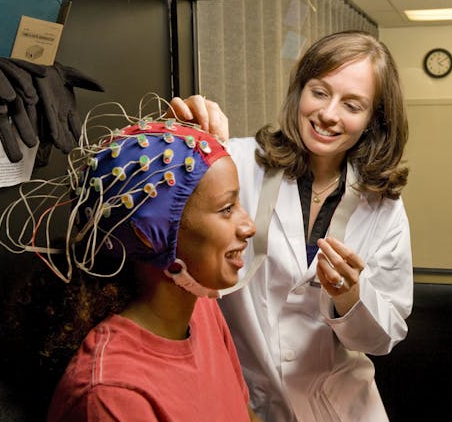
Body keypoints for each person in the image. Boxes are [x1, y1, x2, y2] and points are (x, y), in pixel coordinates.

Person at [170, 30, 414, 421]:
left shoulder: (382, 206)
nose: (329, 114)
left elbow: (382, 338)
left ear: (373, 119)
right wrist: (180, 137)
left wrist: (350, 295)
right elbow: (167, 215)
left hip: (340, 406)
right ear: (299, 91)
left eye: (352, 105)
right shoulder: (237, 162)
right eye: (319, 92)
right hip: (242, 397)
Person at [0, 98, 261, 421]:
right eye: (227, 209)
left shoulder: (199, 308)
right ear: (148, 236)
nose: (249, 226)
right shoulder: (111, 396)